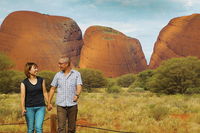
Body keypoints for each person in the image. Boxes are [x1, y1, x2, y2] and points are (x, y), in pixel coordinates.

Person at [48, 56, 82, 133]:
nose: (59, 65)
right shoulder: (57, 75)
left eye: (60, 64)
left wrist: (77, 95)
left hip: (72, 104)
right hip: (61, 105)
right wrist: (49, 102)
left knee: (72, 128)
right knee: (61, 128)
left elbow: (79, 86)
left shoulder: (76, 74)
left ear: (67, 64)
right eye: (58, 63)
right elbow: (52, 88)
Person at [20, 62, 49, 133]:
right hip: (29, 108)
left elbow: (45, 92)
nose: (37, 69)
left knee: (39, 128)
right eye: (34, 68)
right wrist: (23, 108)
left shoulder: (41, 80)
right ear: (29, 70)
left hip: (40, 107)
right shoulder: (24, 82)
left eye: (37, 68)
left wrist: (48, 103)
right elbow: (23, 96)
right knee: (30, 129)